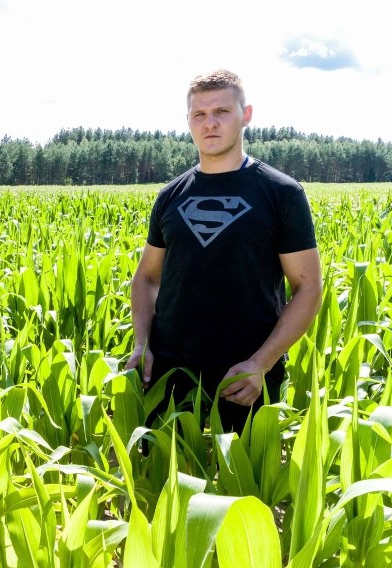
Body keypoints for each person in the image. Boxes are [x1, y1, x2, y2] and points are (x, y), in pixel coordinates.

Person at [124, 69, 323, 434]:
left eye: (222, 112)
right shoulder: (170, 196)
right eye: (199, 114)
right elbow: (147, 277)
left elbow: (308, 288)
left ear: (246, 116)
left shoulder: (281, 193)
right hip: (170, 372)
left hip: (245, 375)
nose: (209, 123)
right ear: (188, 121)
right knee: (165, 482)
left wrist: (261, 364)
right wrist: (142, 344)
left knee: (244, 487)